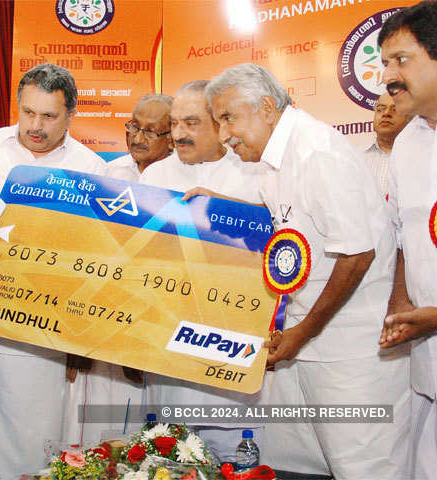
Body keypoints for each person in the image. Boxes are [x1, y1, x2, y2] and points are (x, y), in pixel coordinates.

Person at [206, 63, 410, 479]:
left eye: (228, 118)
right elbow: (294, 230)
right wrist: (213, 207)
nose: (223, 135)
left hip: (350, 350)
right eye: (217, 121)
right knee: (298, 466)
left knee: (365, 467)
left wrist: (305, 331)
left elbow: (358, 254)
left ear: (265, 107)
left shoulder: (317, 152)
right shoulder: (272, 162)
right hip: (305, 344)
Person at [0, 63, 107, 478]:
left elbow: (96, 259)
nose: (35, 126)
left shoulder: (91, 170)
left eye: (49, 116)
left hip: (46, 328)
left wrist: (79, 337)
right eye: (27, 113)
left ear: (71, 115)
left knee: (38, 432)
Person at [139, 80, 263, 463]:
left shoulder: (253, 175)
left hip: (228, 360)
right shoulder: (153, 178)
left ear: (219, 123)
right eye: (175, 123)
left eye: (191, 123)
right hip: (166, 358)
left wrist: (231, 212)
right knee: (165, 462)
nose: (178, 134)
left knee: (231, 461)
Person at [376, 2, 437, 478]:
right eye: (385, 62)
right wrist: (402, 308)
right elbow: (406, 240)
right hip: (428, 352)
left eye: (401, 60)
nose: (388, 76)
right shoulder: (408, 142)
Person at [107, 94, 173, 182]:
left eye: (150, 132)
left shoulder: (187, 178)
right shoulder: (110, 173)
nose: (138, 139)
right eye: (134, 127)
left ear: (172, 139)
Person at [362, 93, 411, 198]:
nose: (386, 113)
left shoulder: (419, 157)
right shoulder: (358, 159)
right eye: (380, 110)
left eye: (395, 109)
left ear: (410, 119)